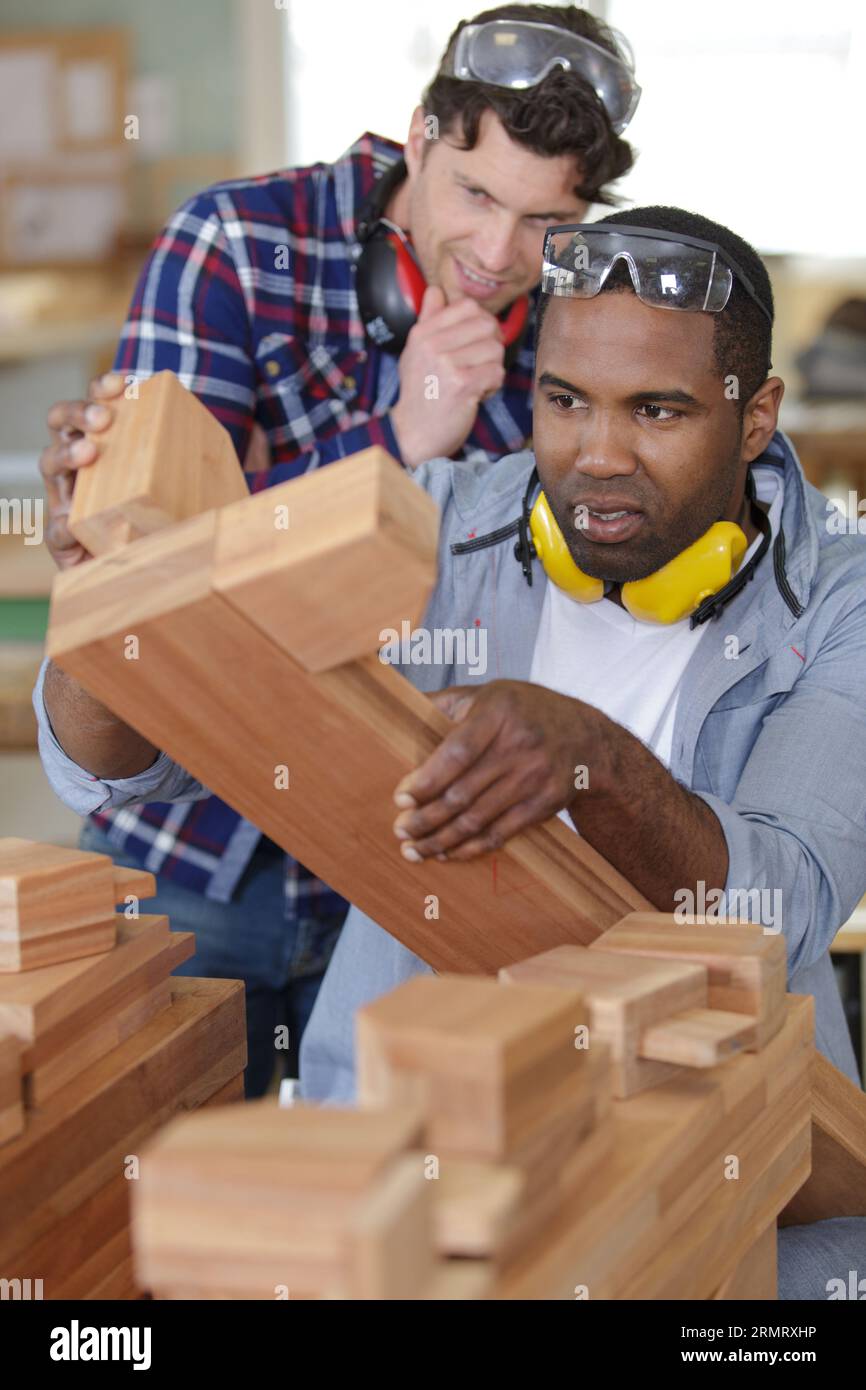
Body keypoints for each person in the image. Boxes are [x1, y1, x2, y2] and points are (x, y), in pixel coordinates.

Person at [35, 205, 866, 1295]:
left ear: (753, 415)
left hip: (711, 1182)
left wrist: (593, 762)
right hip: (406, 1167)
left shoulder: (841, 596)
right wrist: (110, 591)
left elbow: (780, 900)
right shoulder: (435, 527)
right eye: (562, 402)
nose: (596, 455)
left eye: (655, 410)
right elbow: (126, 766)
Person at [35, 5, 637, 1096]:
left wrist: (265, 481)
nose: (499, 257)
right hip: (194, 843)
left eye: (544, 222)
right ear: (418, 134)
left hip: (408, 870)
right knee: (144, 1207)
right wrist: (399, 442)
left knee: (369, 1234)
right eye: (474, 194)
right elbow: (159, 573)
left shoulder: (581, 334)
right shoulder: (232, 241)